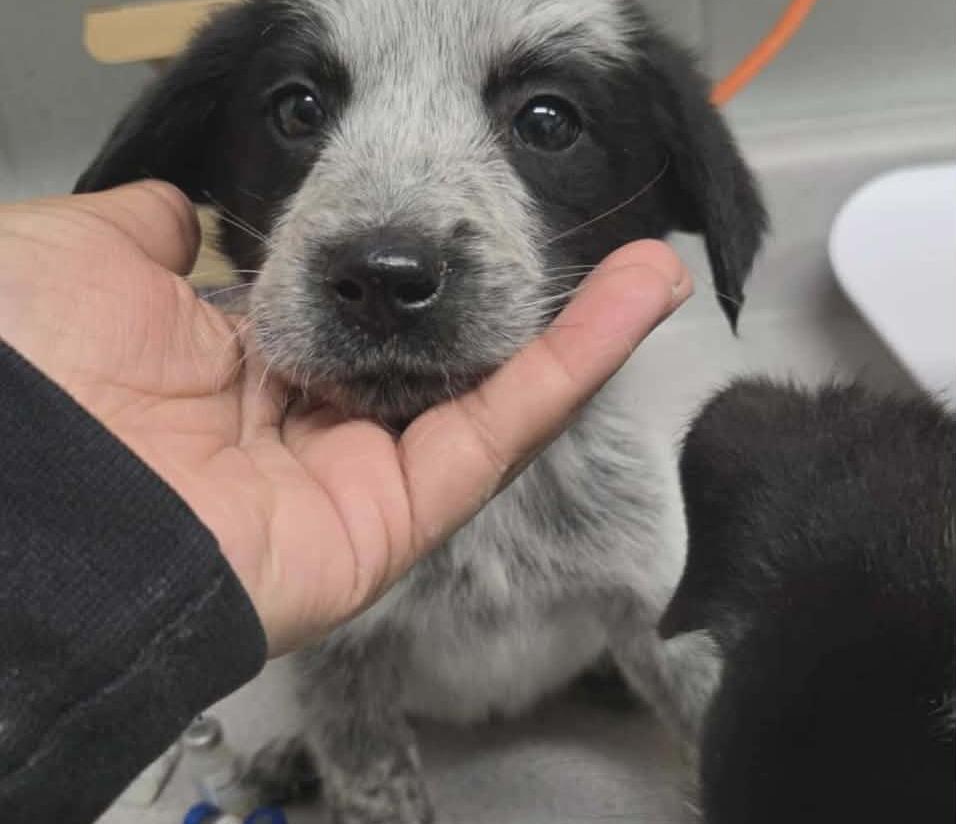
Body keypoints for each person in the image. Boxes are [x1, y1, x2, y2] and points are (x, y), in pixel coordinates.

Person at [0, 180, 692, 822]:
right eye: (299, 114)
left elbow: (664, 615)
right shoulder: (292, 485)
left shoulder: (612, 465)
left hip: (577, 666)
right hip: (380, 642)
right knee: (343, 664)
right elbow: (334, 663)